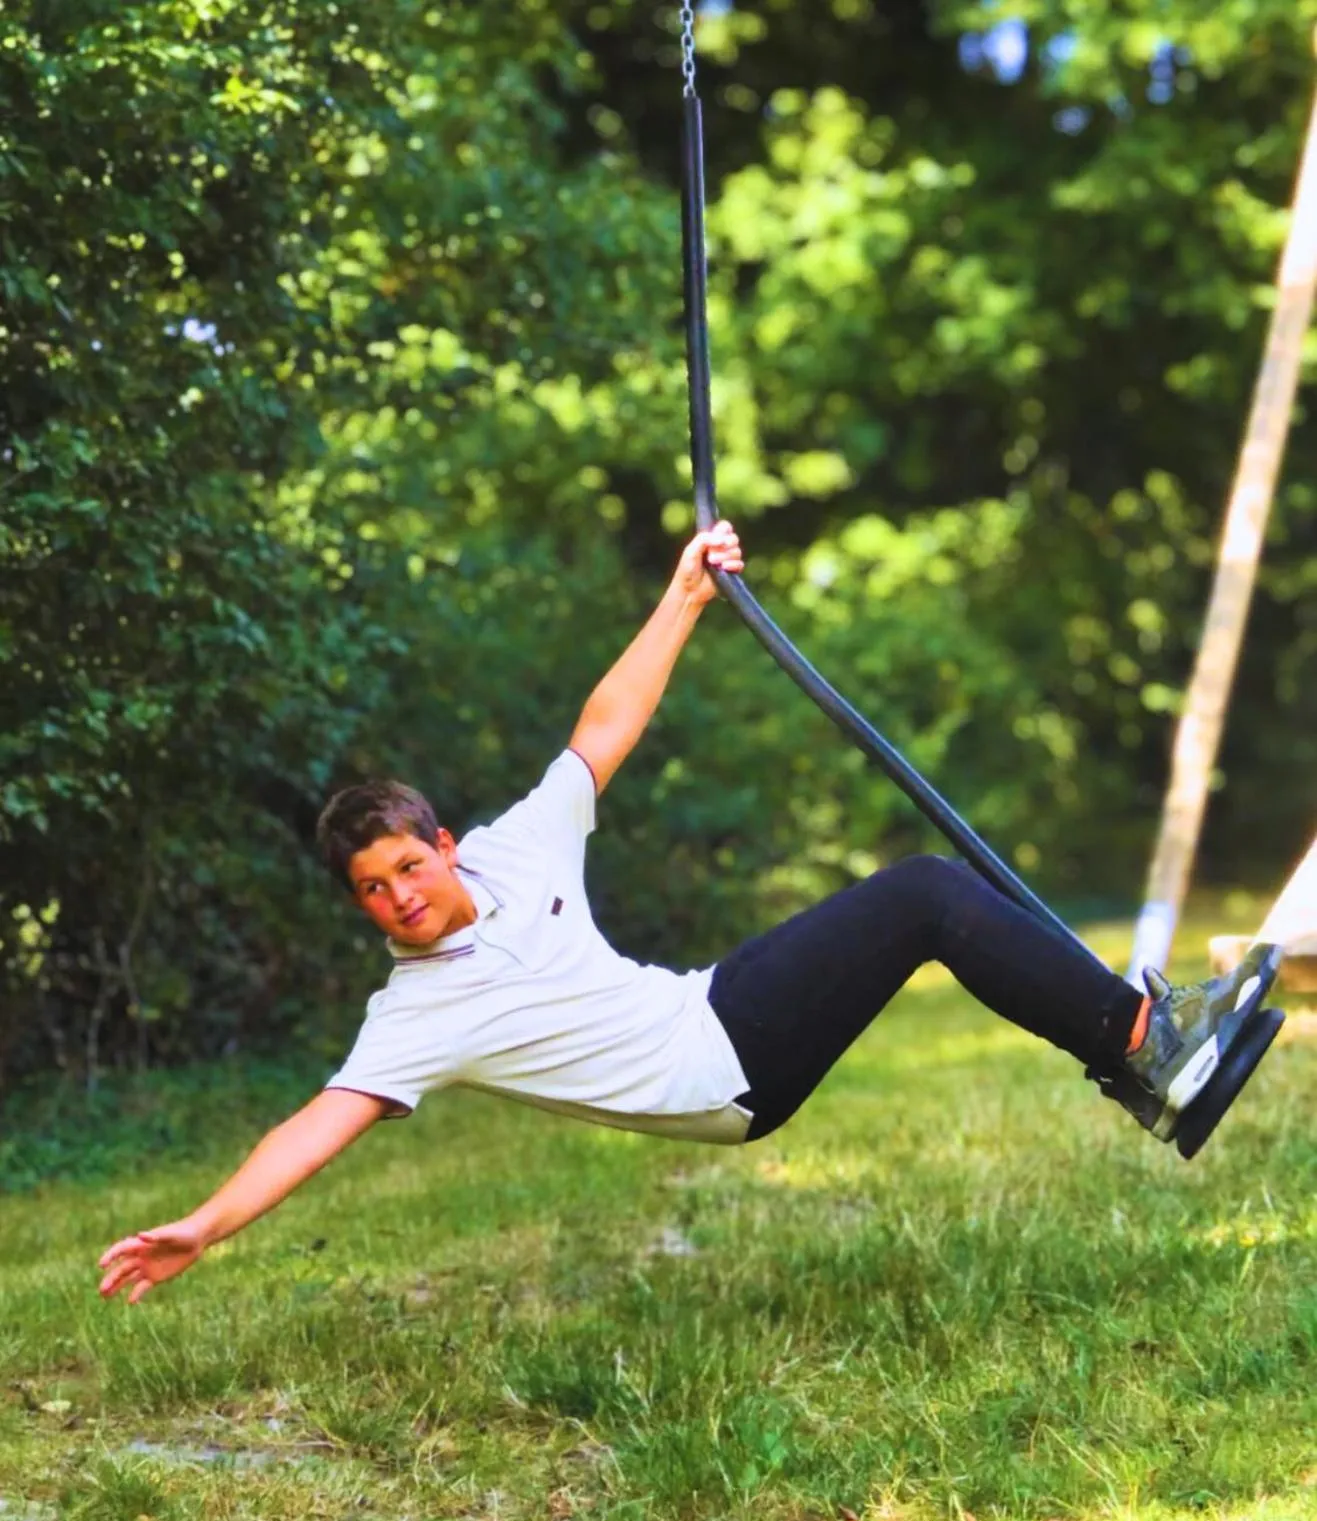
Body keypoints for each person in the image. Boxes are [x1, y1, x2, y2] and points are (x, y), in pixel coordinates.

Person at [98, 522, 1279, 1305]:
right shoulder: (419, 1011)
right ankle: (1147, 1052)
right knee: (920, 893)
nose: (399, 897)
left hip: (705, 1008)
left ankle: (1139, 1052)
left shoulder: (517, 847)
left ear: (443, 842)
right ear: (359, 904)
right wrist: (205, 1223)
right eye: (372, 890)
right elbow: (314, 1123)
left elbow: (604, 725)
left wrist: (683, 598)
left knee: (922, 895)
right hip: (717, 1079)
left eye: (408, 865)